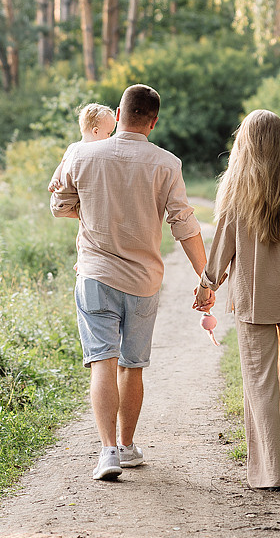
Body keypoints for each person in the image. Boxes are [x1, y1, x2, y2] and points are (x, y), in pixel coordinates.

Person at [51, 84, 207, 481]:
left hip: (94, 275)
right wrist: (205, 276)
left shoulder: (80, 153)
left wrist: (93, 216)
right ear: (153, 122)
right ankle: (126, 446)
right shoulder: (167, 163)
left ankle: (107, 453)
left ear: (117, 115)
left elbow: (60, 205)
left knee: (101, 362)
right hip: (142, 281)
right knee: (131, 366)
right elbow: (183, 223)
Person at [193, 109, 280, 490]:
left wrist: (208, 286)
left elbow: (222, 248)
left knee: (260, 383)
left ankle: (269, 470)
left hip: (253, 301)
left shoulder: (236, 192)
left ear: (245, 144)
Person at [47, 103, 117, 196]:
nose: (110, 137)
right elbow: (62, 165)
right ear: (95, 131)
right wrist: (55, 179)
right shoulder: (74, 148)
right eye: (109, 133)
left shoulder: (102, 151)